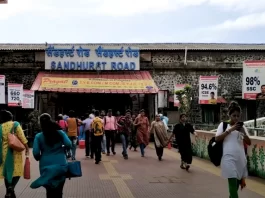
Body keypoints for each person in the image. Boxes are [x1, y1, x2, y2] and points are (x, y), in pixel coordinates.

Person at [31, 113, 71, 198]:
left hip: (45, 165)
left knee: (49, 191)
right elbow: (68, 144)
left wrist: (39, 157)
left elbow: (36, 153)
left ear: (40, 123)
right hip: (61, 164)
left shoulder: (38, 136)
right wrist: (63, 149)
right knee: (59, 190)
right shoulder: (60, 133)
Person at [215, 103, 251, 198]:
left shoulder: (242, 128)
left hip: (240, 159)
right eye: (234, 115)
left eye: (238, 116)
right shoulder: (223, 125)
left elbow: (249, 142)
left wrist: (243, 132)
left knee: (235, 185)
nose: (236, 118)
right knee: (232, 181)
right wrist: (230, 130)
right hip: (228, 158)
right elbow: (217, 139)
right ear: (229, 115)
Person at [0, 110, 29, 198]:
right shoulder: (15, 124)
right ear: (11, 117)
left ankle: (9, 191)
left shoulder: (1, 126)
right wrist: (27, 148)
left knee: (7, 172)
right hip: (15, 152)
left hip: (4, 152)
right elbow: (22, 137)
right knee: (17, 172)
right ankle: (11, 188)